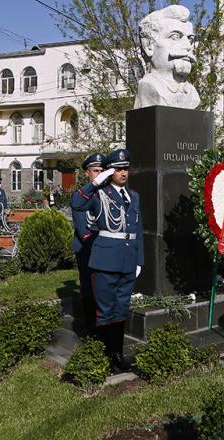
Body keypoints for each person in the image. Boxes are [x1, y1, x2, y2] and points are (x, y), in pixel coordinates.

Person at [81, 149, 144, 372]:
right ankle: (104, 357)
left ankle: (117, 354)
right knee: (105, 310)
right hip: (105, 261)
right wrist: (95, 182)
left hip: (127, 261)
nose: (123, 173)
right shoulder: (99, 195)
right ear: (109, 172)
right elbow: (76, 203)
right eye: (117, 169)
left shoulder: (134, 196)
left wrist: (139, 260)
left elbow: (138, 230)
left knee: (121, 309)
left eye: (125, 168)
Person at [69, 153, 110, 334]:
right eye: (96, 171)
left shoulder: (108, 193)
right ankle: (91, 327)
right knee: (89, 288)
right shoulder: (81, 196)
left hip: (106, 248)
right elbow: (83, 230)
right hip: (87, 249)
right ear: (87, 173)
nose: (99, 174)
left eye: (102, 171)